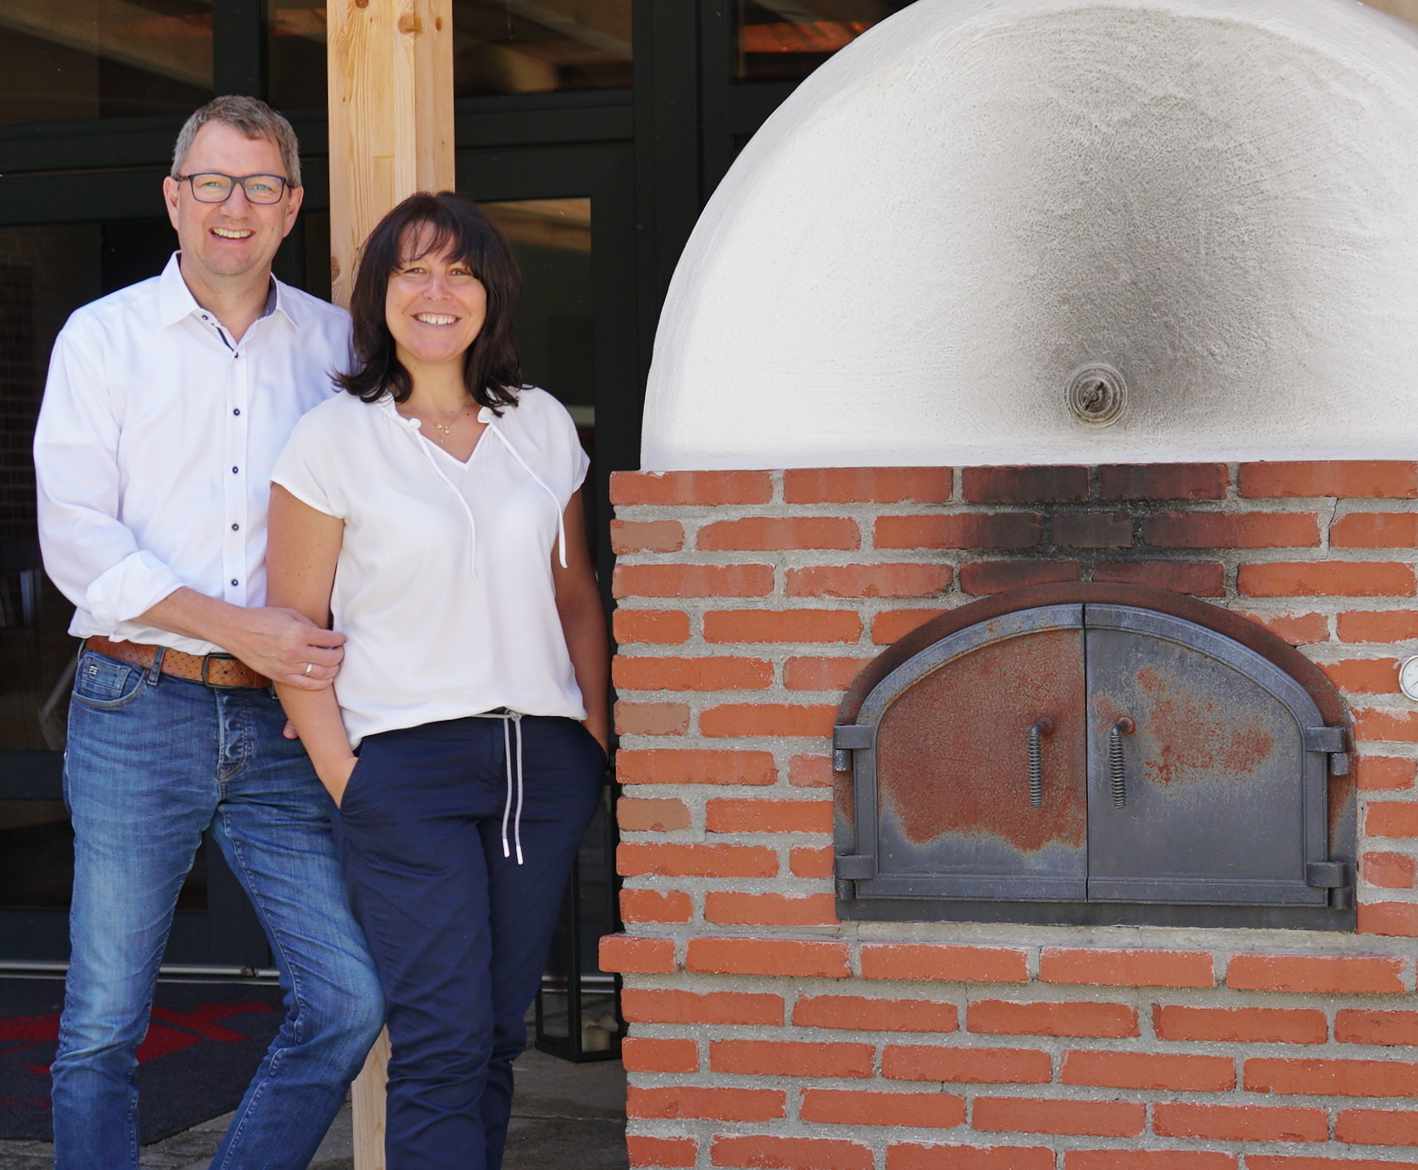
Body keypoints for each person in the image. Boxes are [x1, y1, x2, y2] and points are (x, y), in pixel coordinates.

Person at [34, 95, 383, 1170]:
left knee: (349, 998)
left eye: (261, 185)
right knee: (104, 1021)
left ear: (293, 205)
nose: (237, 206)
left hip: (286, 723)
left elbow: (378, 521)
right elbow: (77, 541)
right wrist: (242, 628)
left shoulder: (339, 347)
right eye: (214, 183)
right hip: (136, 702)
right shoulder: (103, 339)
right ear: (174, 198)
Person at [266, 190, 609, 1170]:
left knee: (496, 1032)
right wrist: (346, 777)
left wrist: (593, 737)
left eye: (460, 271)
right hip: (406, 770)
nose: (436, 291)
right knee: (442, 1038)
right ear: (380, 293)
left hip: (541, 764)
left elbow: (574, 592)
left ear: (490, 294)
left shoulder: (540, 425)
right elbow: (295, 628)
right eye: (412, 270)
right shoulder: (333, 439)